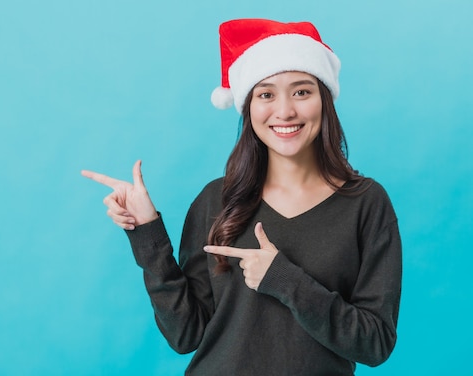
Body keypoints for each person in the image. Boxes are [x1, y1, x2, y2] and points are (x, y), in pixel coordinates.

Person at [81, 18, 402, 375]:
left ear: (324, 100)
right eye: (266, 94)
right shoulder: (216, 201)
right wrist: (147, 232)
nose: (284, 111)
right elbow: (185, 334)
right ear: (249, 107)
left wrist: (284, 279)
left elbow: (376, 343)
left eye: (301, 91)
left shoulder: (366, 203)